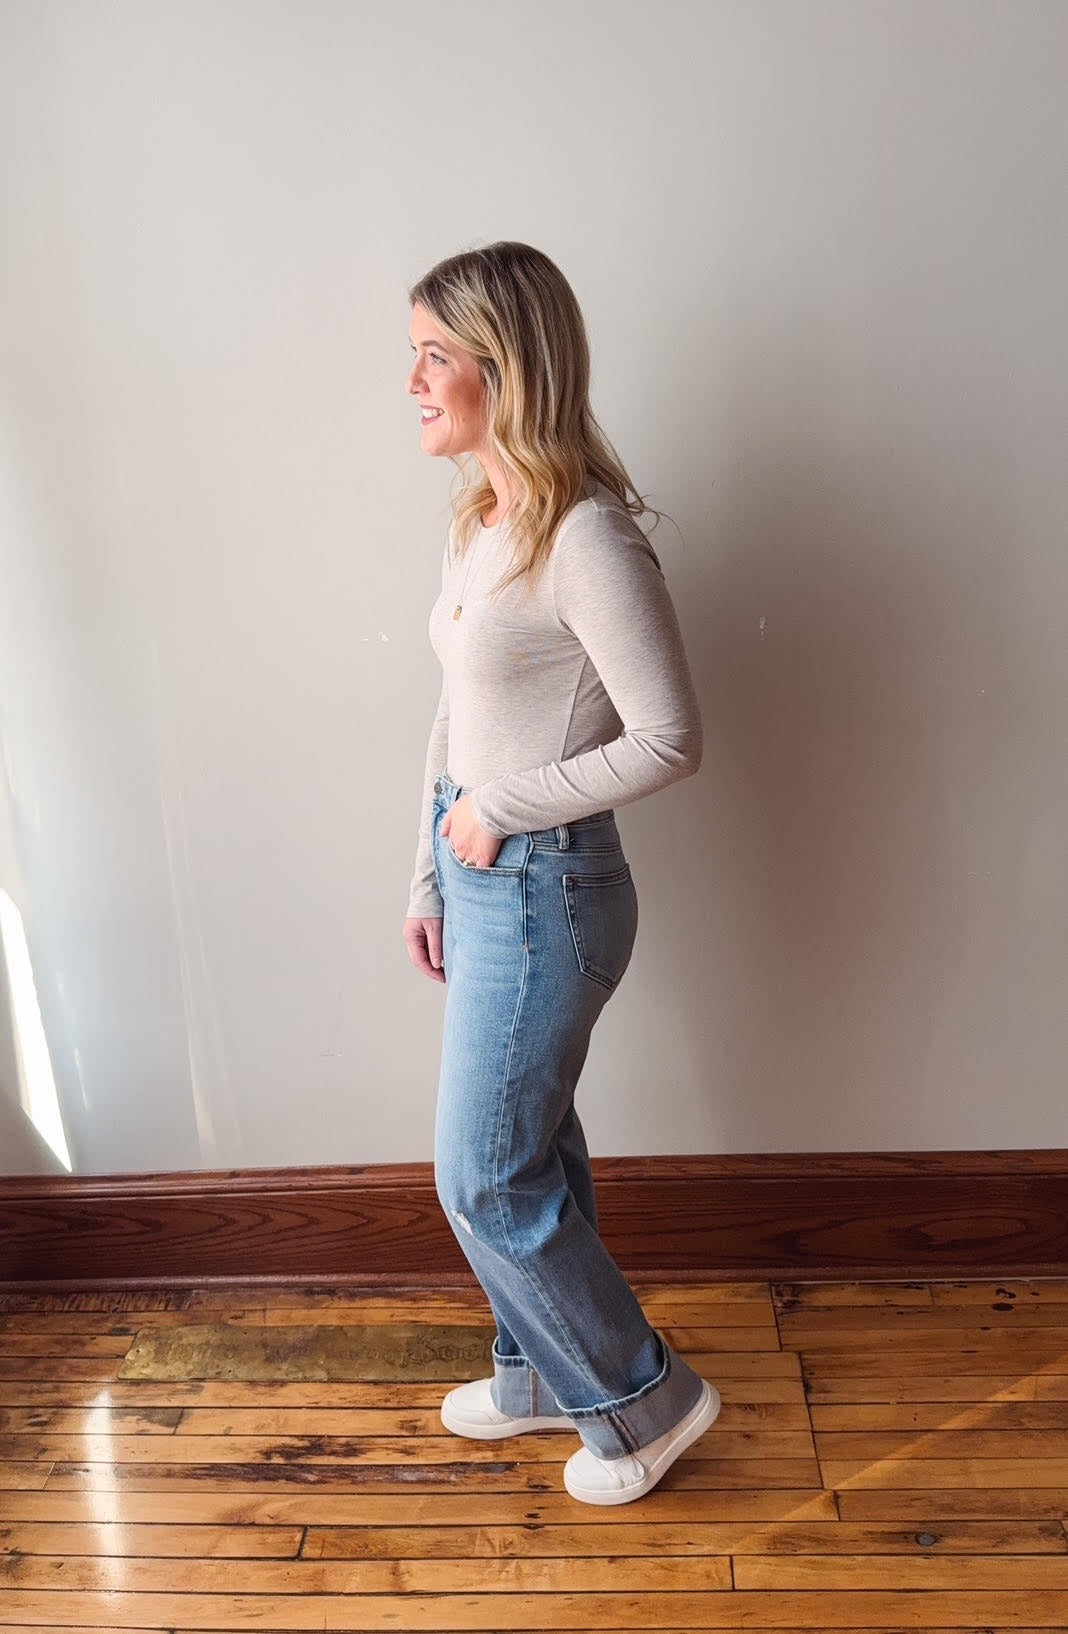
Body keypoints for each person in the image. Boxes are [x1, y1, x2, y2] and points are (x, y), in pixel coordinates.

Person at [401, 241, 718, 1505]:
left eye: (433, 355)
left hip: (549, 891)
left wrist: (499, 808)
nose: (411, 382)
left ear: (505, 366)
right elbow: (455, 713)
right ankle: (539, 1377)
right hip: (482, 874)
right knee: (528, 1146)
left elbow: (672, 737)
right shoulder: (483, 524)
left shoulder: (586, 536)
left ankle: (645, 1401)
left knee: (483, 1171)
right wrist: (426, 870)